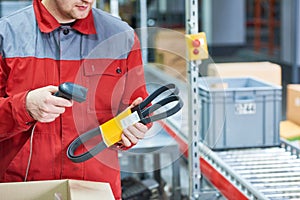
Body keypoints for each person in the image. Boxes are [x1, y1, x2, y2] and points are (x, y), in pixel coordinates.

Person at [0, 0, 149, 199]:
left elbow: (138, 108)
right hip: (23, 188)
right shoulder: (7, 34)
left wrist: (133, 129)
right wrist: (24, 107)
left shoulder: (121, 37)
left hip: (95, 188)